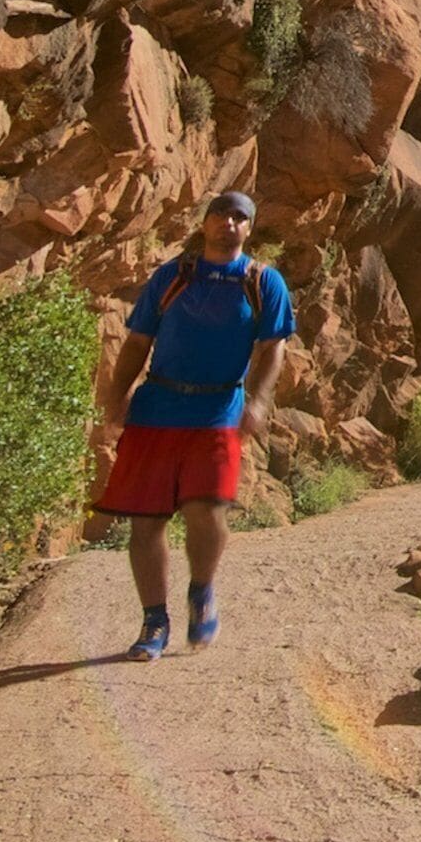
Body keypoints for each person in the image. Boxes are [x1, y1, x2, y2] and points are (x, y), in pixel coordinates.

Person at [91, 191, 294, 659]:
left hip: (218, 411)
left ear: (249, 228)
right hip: (157, 409)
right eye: (221, 214)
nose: (229, 223)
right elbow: (137, 340)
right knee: (147, 520)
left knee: (206, 509)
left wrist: (258, 402)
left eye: (240, 217)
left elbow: (274, 347)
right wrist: (116, 401)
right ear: (205, 223)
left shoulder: (263, 282)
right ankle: (154, 622)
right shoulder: (172, 277)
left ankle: (201, 590)